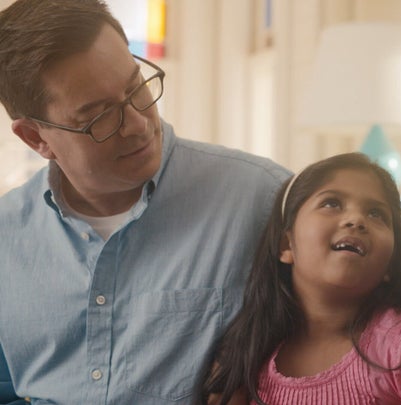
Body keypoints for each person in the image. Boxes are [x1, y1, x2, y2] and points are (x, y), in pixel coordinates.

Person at [0, 0, 291, 403]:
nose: (139, 124)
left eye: (137, 88)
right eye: (99, 115)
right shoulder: (6, 235)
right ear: (35, 138)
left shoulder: (264, 198)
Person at [195, 152, 401, 405]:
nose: (356, 220)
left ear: (391, 263)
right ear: (286, 246)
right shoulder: (247, 356)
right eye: (331, 203)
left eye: (376, 213)